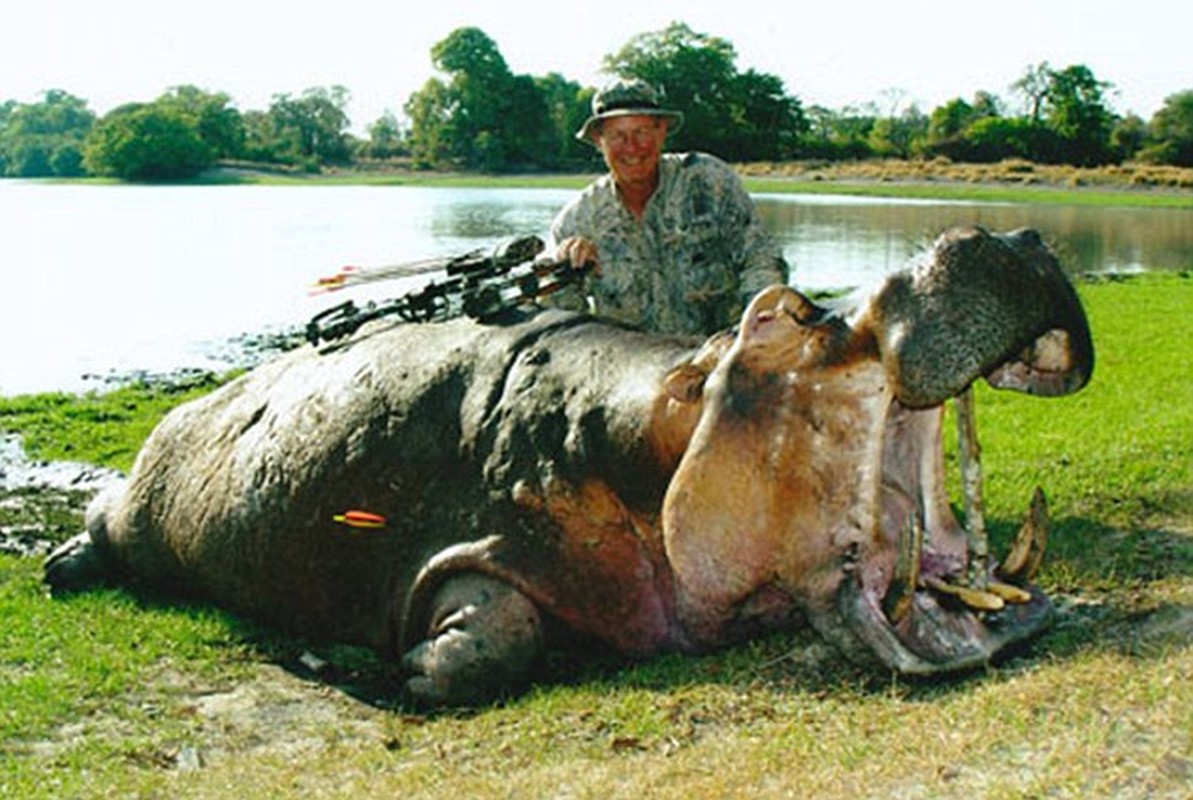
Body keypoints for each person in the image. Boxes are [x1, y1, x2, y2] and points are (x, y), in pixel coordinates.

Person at [548, 79, 790, 336]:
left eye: (642, 132)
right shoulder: (576, 221)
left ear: (661, 131)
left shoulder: (709, 181)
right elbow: (566, 325)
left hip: (722, 355)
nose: (631, 146)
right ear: (599, 141)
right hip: (634, 367)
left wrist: (754, 331)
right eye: (618, 135)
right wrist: (564, 272)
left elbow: (762, 257)